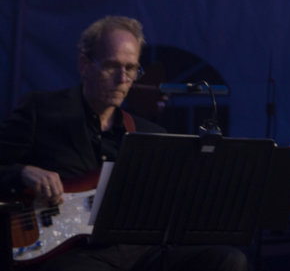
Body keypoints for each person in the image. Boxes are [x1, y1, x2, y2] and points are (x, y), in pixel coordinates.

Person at [0, 16, 248, 271]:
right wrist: (23, 172)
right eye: (112, 66)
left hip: (138, 253)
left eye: (131, 68)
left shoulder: (150, 134)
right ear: (84, 64)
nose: (123, 78)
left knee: (228, 260)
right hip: (71, 253)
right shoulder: (41, 111)